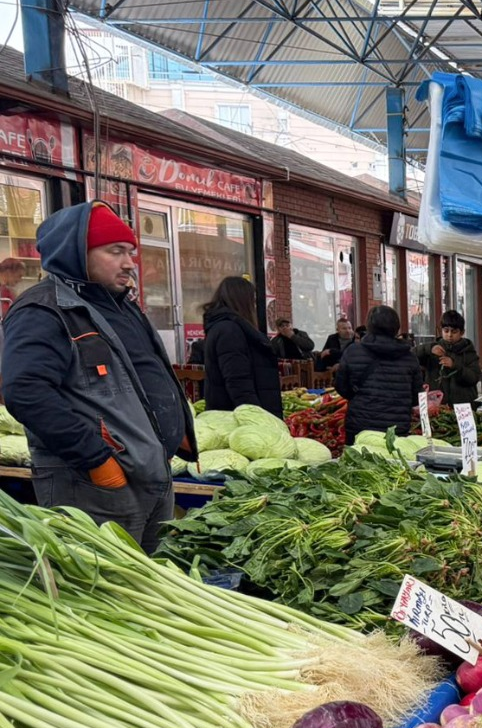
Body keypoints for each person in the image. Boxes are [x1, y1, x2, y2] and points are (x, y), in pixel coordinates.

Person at [0, 201, 195, 552]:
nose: (128, 263)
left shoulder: (120, 305)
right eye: (115, 251)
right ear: (75, 253)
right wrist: (97, 462)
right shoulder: (41, 311)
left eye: (130, 252)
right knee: (110, 596)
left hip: (151, 478)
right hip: (95, 488)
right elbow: (26, 391)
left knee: (154, 593)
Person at [335, 304, 427, 444]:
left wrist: (360, 397)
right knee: (392, 465)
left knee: (357, 464)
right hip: (396, 430)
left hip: (360, 426)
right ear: (396, 327)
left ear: (369, 326)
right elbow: (416, 398)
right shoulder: (409, 357)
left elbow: (341, 387)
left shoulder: (353, 352)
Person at [201, 276, 282, 416]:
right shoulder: (229, 331)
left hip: (234, 414)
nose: (255, 306)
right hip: (236, 417)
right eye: (253, 300)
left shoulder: (225, 328)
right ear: (243, 301)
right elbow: (238, 381)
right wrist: (256, 418)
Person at [417, 309, 482, 406]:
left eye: (454, 331)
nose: (449, 335)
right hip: (436, 406)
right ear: (441, 331)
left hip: (463, 407)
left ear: (462, 332)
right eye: (446, 331)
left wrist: (455, 366)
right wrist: (428, 349)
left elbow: (474, 377)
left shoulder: (469, 352)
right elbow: (410, 356)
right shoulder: (433, 349)